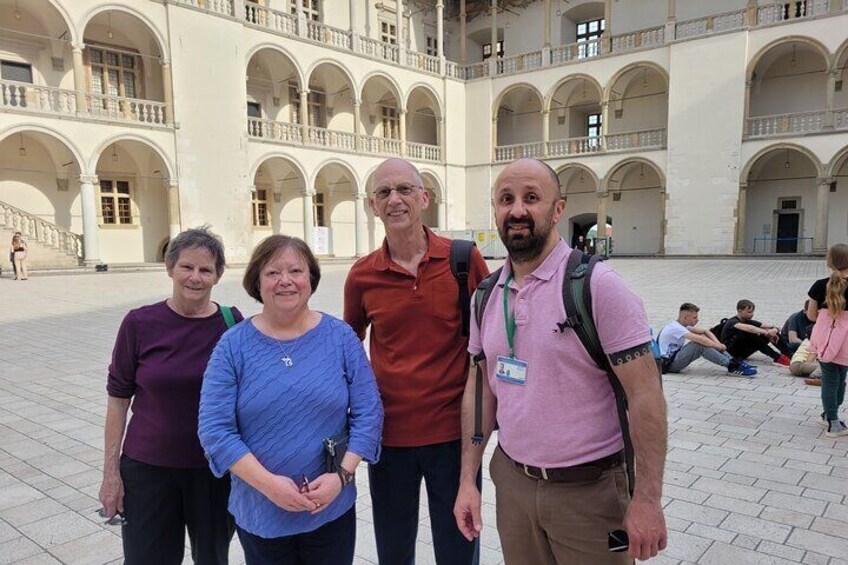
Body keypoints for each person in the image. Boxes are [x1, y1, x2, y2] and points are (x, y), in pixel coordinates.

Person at [454, 158, 667, 564]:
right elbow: (480, 390)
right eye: (506, 199)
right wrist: (469, 479)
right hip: (513, 486)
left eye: (531, 198)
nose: (517, 210)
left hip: (593, 495)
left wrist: (648, 500)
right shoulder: (485, 296)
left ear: (557, 209)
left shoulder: (599, 287)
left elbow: (646, 396)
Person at [199, 235, 383, 564]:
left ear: (310, 278)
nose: (285, 281)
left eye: (296, 271)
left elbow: (369, 412)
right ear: (256, 281)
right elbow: (215, 429)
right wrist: (269, 486)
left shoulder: (340, 336)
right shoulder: (233, 345)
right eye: (272, 273)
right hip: (261, 510)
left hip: (331, 505)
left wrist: (342, 476)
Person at [344, 158, 489, 565]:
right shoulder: (362, 275)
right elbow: (349, 345)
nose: (395, 199)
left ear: (424, 198)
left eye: (405, 189)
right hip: (388, 439)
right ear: (372, 205)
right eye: (384, 192)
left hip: (453, 437)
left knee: (458, 548)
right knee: (393, 549)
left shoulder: (463, 259)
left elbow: (492, 336)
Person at [99, 227, 242, 564]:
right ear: (170, 268)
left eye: (206, 269)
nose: (195, 277)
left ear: (218, 275)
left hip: (213, 471)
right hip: (148, 470)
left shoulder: (231, 323)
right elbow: (118, 399)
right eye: (186, 267)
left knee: (213, 558)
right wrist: (110, 474)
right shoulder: (139, 323)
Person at [807, 243, 848, 437]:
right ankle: (832, 420)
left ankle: (829, 417)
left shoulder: (819, 285)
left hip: (826, 339)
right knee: (841, 380)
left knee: (830, 381)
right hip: (846, 342)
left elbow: (811, 316)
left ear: (830, 262)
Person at [658, 303, 757, 377]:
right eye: (694, 318)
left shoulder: (682, 325)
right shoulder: (675, 328)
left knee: (704, 340)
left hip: (675, 358)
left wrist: (719, 344)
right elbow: (701, 340)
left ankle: (733, 361)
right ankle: (732, 366)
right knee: (698, 344)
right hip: (668, 365)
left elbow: (706, 331)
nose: (697, 320)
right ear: (685, 317)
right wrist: (717, 346)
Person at [719, 299, 792, 366]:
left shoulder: (747, 320)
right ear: (740, 311)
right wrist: (765, 332)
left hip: (743, 351)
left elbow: (770, 326)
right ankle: (777, 358)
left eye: (753, 312)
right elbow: (749, 328)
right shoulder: (732, 322)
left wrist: (774, 330)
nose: (752, 314)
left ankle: (789, 354)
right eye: (749, 312)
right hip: (732, 353)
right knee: (751, 333)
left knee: (771, 333)